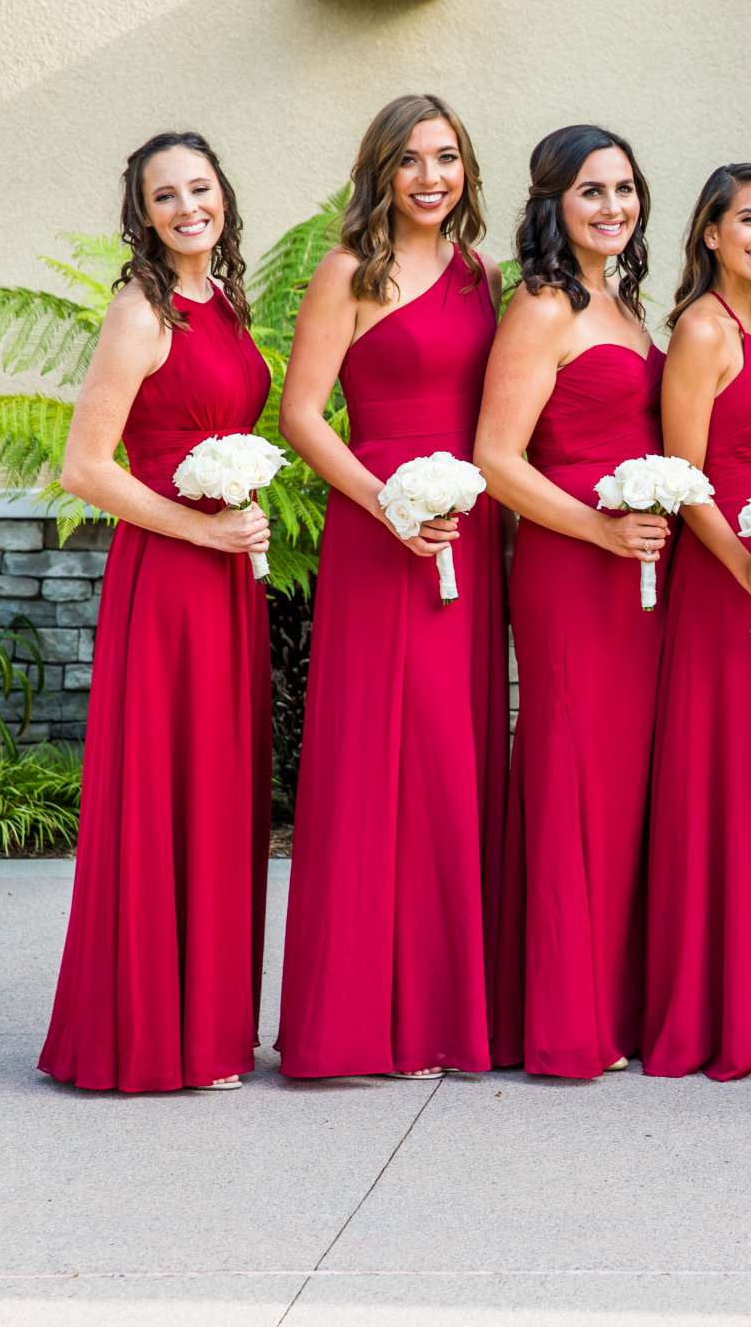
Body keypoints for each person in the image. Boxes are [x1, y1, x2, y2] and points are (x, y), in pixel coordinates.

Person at [277, 94, 505, 1080]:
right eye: (410, 160)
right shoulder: (348, 273)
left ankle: (449, 1017)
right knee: (381, 763)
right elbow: (300, 416)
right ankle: (362, 1021)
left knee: (456, 762)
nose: (430, 177)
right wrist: (387, 503)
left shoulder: (483, 275)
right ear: (381, 171)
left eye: (446, 158)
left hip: (470, 531)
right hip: (381, 537)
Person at [39, 132, 272, 1093]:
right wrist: (199, 529)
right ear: (141, 213)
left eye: (200, 188)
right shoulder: (141, 310)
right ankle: (148, 1033)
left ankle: (209, 1029)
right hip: (171, 579)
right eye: (165, 195)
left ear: (223, 196)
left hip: (225, 575)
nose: (187, 207)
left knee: (220, 790)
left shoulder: (222, 298)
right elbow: (86, 466)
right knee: (169, 788)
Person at [473, 125, 665, 1077]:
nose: (612, 208)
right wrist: (595, 530)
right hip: (569, 567)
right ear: (553, 203)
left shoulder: (627, 304)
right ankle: (560, 1020)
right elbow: (496, 460)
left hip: (637, 579)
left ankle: (612, 1004)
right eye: (591, 192)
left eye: (624, 189)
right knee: (569, 776)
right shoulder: (543, 305)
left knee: (622, 787)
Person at [641, 163, 751, 1080]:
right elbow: (684, 477)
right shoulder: (704, 329)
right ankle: (716, 1008)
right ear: (709, 232)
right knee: (722, 778)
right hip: (726, 583)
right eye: (746, 220)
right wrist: (744, 567)